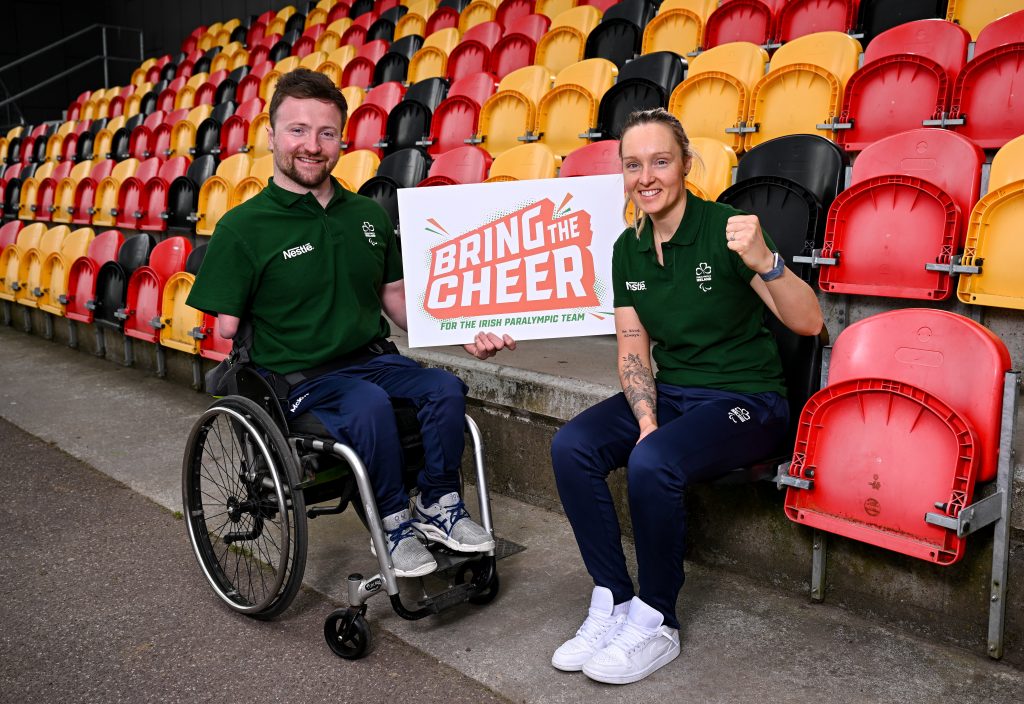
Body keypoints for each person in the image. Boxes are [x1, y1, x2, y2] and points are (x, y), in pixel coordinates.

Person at [187, 68, 514, 579]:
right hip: (298, 379)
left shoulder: (367, 213)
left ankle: (438, 505)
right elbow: (227, 329)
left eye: (326, 133)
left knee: (445, 388)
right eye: (297, 130)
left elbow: (396, 297)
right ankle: (393, 523)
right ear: (270, 135)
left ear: (342, 139)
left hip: (371, 361)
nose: (311, 145)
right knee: (370, 406)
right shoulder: (242, 227)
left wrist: (462, 333)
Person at [549, 108, 823, 685]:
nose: (646, 176)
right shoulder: (628, 248)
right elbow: (631, 348)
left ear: (685, 166)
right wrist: (647, 417)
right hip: (672, 394)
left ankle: (657, 619)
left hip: (747, 401)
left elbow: (809, 324)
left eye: (660, 161)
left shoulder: (730, 228)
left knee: (654, 460)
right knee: (573, 445)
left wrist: (767, 263)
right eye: (633, 164)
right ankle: (614, 599)